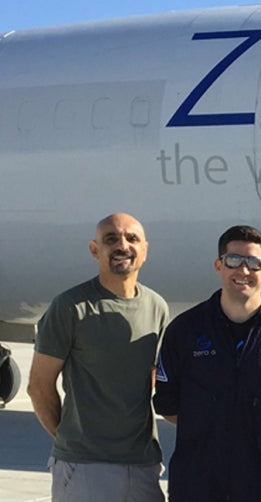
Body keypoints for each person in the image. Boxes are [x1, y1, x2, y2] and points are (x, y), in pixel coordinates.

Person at [153, 225, 261, 502]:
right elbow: (168, 403)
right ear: (219, 265)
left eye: (254, 262)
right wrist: (212, 429)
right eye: (234, 260)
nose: (243, 271)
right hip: (198, 484)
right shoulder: (186, 329)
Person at [27, 213, 169, 501]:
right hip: (85, 468)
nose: (122, 246)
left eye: (132, 238)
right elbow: (39, 387)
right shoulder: (69, 307)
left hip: (143, 465)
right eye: (111, 239)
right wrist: (72, 441)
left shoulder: (157, 306)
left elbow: (152, 378)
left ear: (145, 249)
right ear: (95, 250)